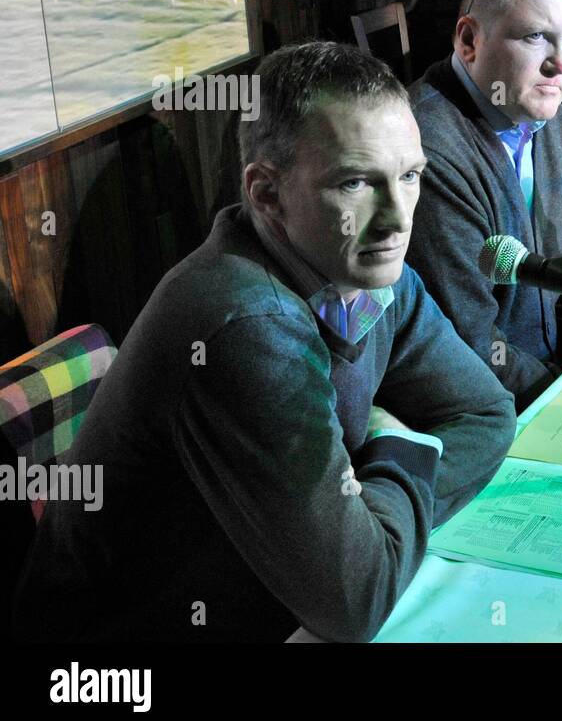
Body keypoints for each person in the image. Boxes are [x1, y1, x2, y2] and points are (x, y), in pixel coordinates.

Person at [12, 43, 516, 643]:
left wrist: (372, 527)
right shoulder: (244, 323)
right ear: (266, 193)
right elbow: (355, 604)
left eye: (408, 177)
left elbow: (486, 415)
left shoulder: (370, 273)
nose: (397, 218)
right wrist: (400, 449)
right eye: (355, 182)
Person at [406, 0, 562, 411]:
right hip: (479, 411)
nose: (561, 65)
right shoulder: (428, 149)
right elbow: (471, 341)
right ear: (468, 41)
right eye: (536, 37)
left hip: (545, 384)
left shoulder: (548, 118)